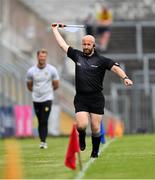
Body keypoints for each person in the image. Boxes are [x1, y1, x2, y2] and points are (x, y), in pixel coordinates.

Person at [51, 23, 133, 158]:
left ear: (93, 45)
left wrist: (125, 78)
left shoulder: (101, 60)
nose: (85, 47)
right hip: (81, 98)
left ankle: (95, 151)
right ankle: (82, 137)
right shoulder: (77, 56)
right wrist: (55, 30)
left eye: (88, 45)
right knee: (82, 125)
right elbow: (63, 45)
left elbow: (115, 67)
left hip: (96, 98)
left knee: (95, 128)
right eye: (84, 44)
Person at [26, 48, 59, 149]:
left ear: (46, 57)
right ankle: (42, 140)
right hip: (36, 99)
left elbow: (56, 84)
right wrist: (37, 92)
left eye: (44, 57)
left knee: (44, 120)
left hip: (47, 98)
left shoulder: (52, 70)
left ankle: (43, 142)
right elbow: (29, 85)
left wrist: (47, 92)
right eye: (41, 56)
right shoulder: (31, 71)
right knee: (40, 120)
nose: (42, 58)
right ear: (37, 57)